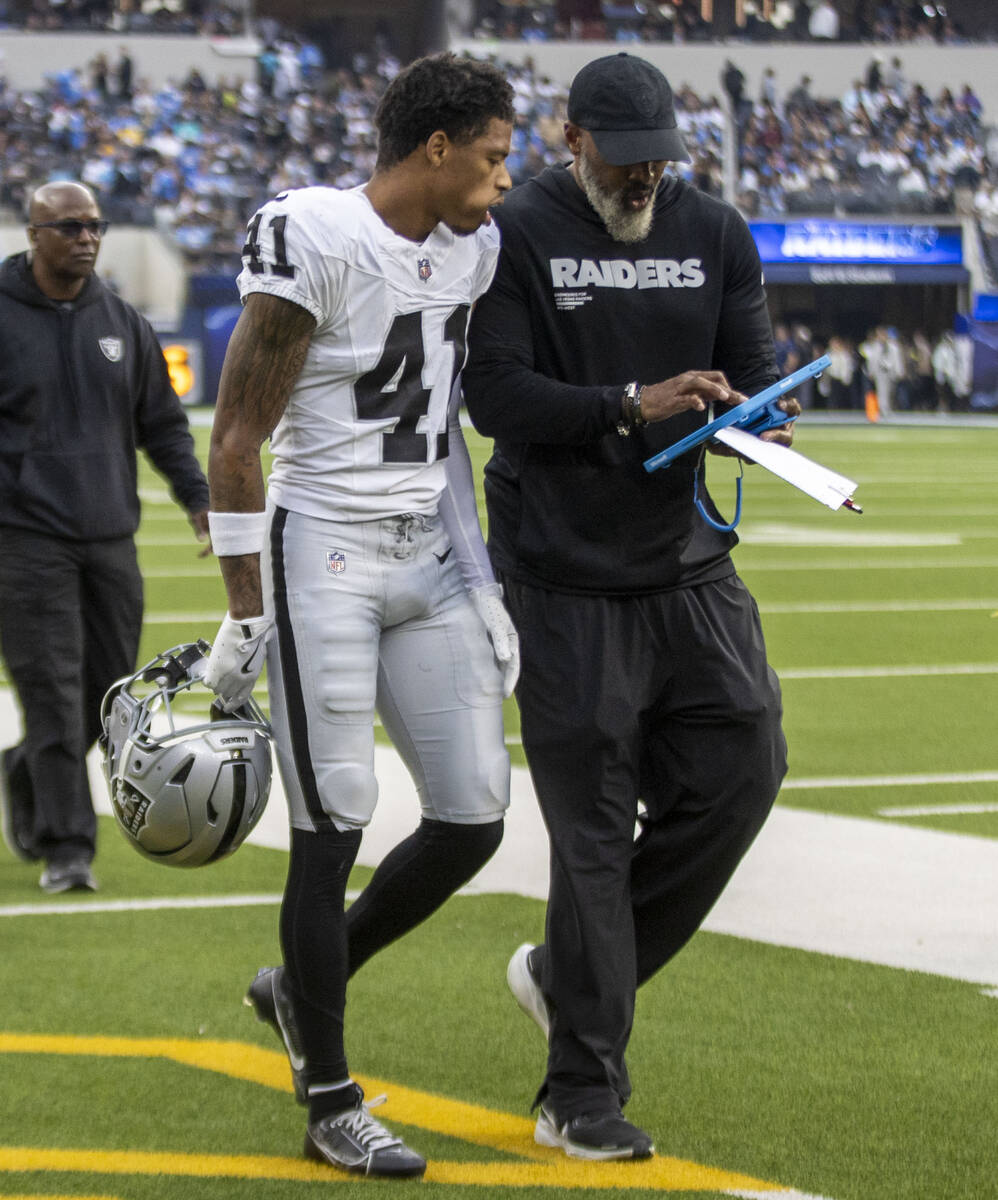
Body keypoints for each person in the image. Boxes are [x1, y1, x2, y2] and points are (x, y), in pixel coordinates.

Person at [463, 52, 795, 1162]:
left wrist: (756, 419)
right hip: (561, 572)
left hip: (686, 561)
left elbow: (746, 364)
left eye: (661, 159)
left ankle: (565, 978)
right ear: (573, 138)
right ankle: (579, 1093)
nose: (647, 179)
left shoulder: (715, 228)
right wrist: (626, 404)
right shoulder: (512, 230)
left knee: (744, 768)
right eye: (626, 159)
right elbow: (492, 393)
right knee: (592, 837)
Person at [202, 53, 517, 1179]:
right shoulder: (313, 232)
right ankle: (330, 1096)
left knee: (473, 815)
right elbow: (237, 439)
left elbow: (441, 439)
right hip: (320, 550)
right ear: (435, 148)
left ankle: (298, 984)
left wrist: (476, 576)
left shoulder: (473, 250)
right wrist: (245, 612)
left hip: (425, 549)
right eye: (490, 154)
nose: (500, 178)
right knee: (332, 819)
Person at [0, 181, 209, 893]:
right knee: (53, 693)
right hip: (23, 540)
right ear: (34, 233)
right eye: (69, 227)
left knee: (108, 694)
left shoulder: (122, 319)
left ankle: (28, 767)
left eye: (95, 226)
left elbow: (163, 425)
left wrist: (198, 500)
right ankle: (67, 848)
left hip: (109, 535)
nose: (86, 237)